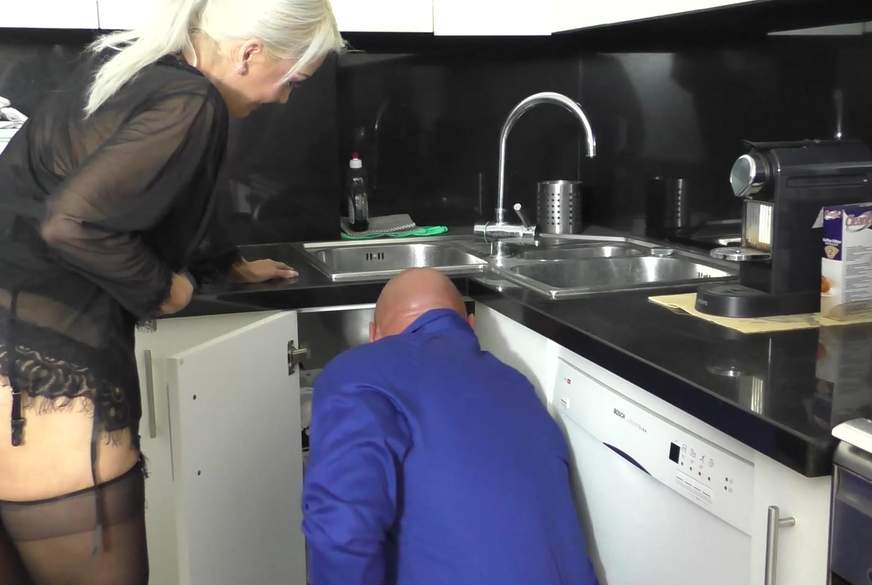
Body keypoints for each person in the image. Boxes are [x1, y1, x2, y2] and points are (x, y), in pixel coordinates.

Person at [0, 1, 344, 583]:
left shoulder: (130, 67)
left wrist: (228, 264)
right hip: (49, 387)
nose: (284, 98)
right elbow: (72, 223)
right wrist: (164, 290)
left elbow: (153, 191)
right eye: (293, 80)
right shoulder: (192, 100)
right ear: (249, 53)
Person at [303, 268, 599, 585]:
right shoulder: (517, 385)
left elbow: (342, 526)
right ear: (471, 326)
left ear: (374, 334)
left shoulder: (356, 373)